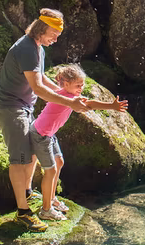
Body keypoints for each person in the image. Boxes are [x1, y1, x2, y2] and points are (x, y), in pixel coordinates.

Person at [0, 9, 90, 232]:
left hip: (23, 106)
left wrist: (68, 95)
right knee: (20, 159)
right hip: (9, 107)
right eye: (54, 33)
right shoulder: (26, 48)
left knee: (32, 150)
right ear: (42, 28)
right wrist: (70, 103)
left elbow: (40, 77)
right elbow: (37, 88)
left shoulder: (37, 48)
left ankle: (26, 192)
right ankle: (23, 213)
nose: (56, 39)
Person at [31, 64, 128, 221]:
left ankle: (52, 198)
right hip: (40, 135)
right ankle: (46, 209)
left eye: (82, 85)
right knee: (51, 170)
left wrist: (111, 106)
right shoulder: (66, 97)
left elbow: (89, 103)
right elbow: (89, 105)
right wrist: (111, 106)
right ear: (66, 84)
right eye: (78, 85)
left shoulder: (68, 95)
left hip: (49, 134)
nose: (81, 88)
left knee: (59, 162)